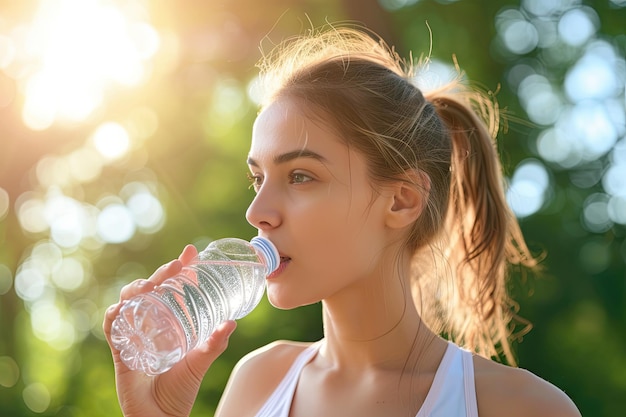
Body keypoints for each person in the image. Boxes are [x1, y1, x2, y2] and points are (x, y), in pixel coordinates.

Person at [103, 24, 581, 417]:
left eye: (301, 176)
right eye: (258, 179)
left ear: (401, 201)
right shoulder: (258, 382)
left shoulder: (521, 407)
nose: (257, 213)